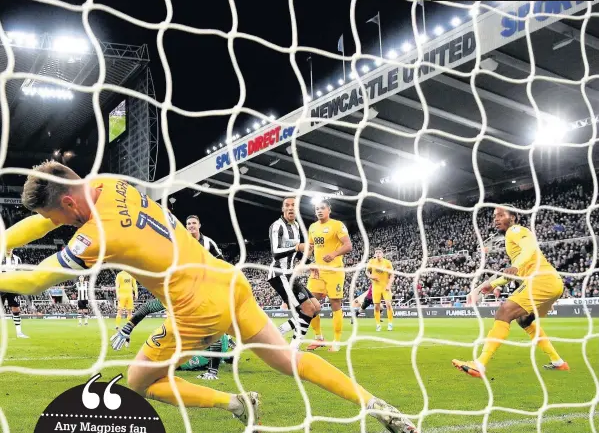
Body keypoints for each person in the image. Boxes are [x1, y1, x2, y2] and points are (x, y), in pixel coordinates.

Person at [0, 161, 416, 432]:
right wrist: (5, 241)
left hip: (195, 308)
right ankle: (378, 406)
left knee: (140, 381)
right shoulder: (108, 183)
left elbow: (35, 281)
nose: (55, 224)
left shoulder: (95, 235)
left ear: (70, 203)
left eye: (55, 217)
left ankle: (233, 402)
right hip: (227, 280)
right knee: (288, 359)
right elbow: (37, 228)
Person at [452, 206, 569, 378]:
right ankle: (558, 362)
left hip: (541, 280)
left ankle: (479, 364)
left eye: (501, 215)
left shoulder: (516, 230)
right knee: (524, 320)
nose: (496, 219)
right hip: (551, 283)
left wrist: (515, 266)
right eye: (494, 217)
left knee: (504, 312)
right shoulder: (510, 238)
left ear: (513, 217)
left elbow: (529, 249)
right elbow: (516, 272)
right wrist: (493, 284)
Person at [111, 299, 232, 381]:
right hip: (203, 341)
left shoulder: (200, 304)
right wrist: (128, 327)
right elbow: (147, 307)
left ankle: (220, 358)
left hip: (210, 345)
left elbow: (216, 336)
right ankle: (226, 355)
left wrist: (212, 372)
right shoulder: (174, 296)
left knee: (175, 364)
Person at [268, 197, 320, 348]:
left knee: (316, 307)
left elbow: (296, 253)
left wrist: (310, 264)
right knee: (308, 309)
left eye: (294, 205)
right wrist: (297, 247)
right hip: (279, 274)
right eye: (287, 205)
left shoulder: (296, 226)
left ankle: (277, 333)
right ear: (283, 209)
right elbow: (275, 253)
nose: (291, 208)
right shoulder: (277, 226)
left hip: (290, 274)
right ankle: (293, 348)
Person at [306, 200, 352, 352]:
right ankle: (319, 338)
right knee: (309, 304)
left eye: (322, 208)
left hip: (334, 271)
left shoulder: (337, 225)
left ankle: (337, 341)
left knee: (335, 304)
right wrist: (307, 263)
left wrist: (334, 254)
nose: (319, 211)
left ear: (329, 210)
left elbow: (348, 245)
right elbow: (310, 248)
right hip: (318, 272)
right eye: (317, 209)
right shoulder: (312, 227)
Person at [0, 249, 28, 338]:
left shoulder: (17, 259)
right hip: (1, 286)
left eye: (11, 247)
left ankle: (19, 333)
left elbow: (19, 273)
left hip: (13, 287)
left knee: (16, 308)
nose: (9, 249)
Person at [367, 248, 394, 331]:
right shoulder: (371, 262)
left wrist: (389, 285)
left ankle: (390, 323)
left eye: (379, 252)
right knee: (376, 307)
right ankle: (378, 324)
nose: (378, 254)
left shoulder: (387, 263)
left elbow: (392, 275)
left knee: (388, 304)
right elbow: (367, 272)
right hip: (376, 287)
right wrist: (371, 276)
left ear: (383, 254)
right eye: (376, 252)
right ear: (375, 254)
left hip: (385, 287)